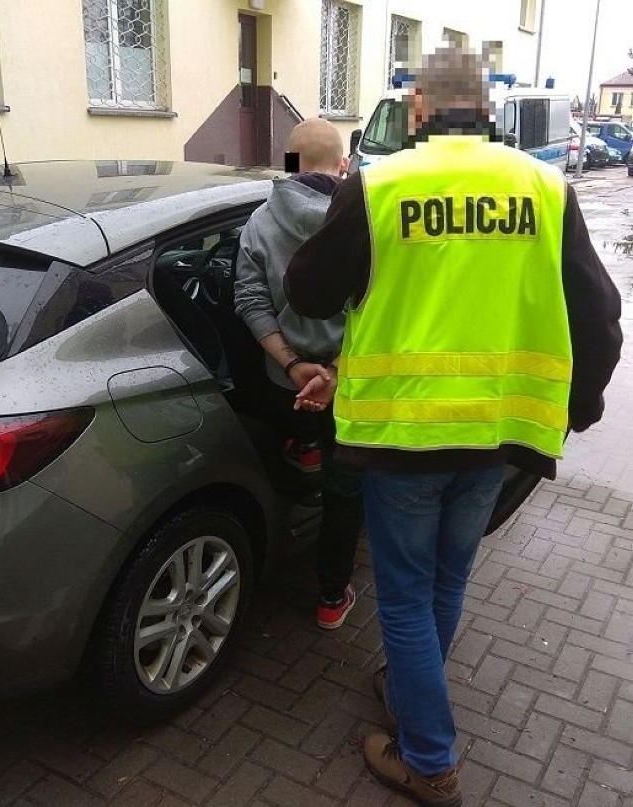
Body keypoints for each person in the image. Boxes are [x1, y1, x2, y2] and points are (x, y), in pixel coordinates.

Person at [284, 46, 622, 807]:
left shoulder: (382, 183)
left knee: (402, 596)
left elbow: (306, 292)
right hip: (497, 433)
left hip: (404, 435)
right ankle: (413, 689)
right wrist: (583, 404)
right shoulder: (543, 186)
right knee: (447, 578)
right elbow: (600, 315)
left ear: (419, 113)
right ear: (489, 112)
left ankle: (430, 759)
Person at [234, 118, 363, 630]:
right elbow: (375, 309)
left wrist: (291, 363)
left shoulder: (259, 223)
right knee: (345, 490)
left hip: (281, 381)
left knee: (286, 425)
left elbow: (248, 298)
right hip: (345, 387)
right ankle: (332, 596)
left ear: (289, 164)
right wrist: (331, 371)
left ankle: (301, 447)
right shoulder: (364, 225)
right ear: (344, 167)